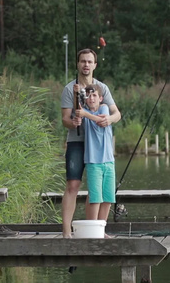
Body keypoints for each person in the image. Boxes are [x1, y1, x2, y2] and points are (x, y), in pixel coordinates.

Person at [60, 48, 121, 238]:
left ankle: (95, 231)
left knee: (97, 188)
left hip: (99, 147)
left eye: (89, 61)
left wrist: (109, 120)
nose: (86, 65)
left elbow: (116, 113)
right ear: (78, 64)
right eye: (82, 61)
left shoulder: (102, 88)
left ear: (95, 65)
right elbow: (64, 119)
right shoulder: (70, 89)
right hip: (77, 142)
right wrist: (73, 122)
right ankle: (66, 231)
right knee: (73, 185)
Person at [75, 84, 115, 225]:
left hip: (109, 161)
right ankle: (93, 229)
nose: (91, 98)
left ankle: (101, 229)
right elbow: (79, 116)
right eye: (89, 96)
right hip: (93, 162)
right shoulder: (83, 112)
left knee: (108, 198)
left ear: (100, 98)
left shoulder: (104, 108)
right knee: (95, 198)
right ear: (85, 99)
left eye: (94, 95)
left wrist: (85, 115)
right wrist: (79, 117)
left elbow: (101, 121)